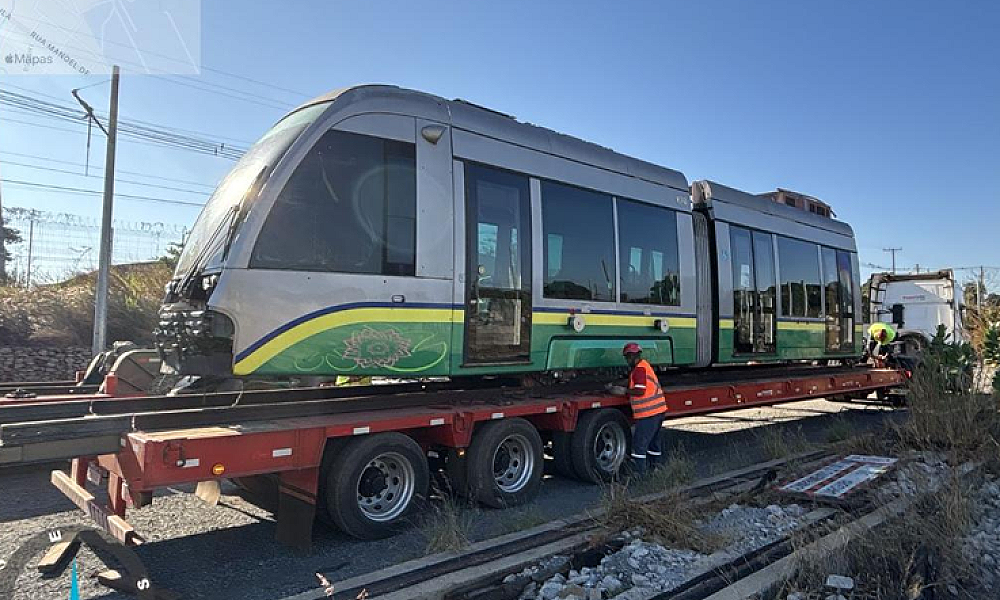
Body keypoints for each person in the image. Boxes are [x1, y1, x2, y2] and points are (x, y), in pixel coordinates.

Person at [621, 342, 668, 477]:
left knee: (639, 445)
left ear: (632, 356)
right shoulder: (644, 366)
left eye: (627, 357)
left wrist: (624, 391)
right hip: (658, 411)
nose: (627, 360)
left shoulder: (639, 369)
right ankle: (656, 469)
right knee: (654, 442)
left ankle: (639, 474)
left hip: (648, 413)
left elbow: (640, 391)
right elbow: (634, 381)